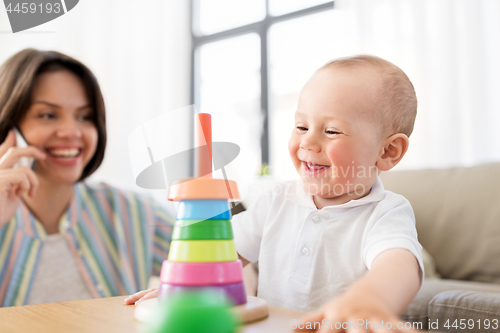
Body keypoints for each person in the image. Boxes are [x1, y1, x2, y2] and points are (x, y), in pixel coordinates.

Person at [128, 55, 423, 332]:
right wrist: (186, 287)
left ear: (387, 151)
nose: (308, 141)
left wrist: (371, 300)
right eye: (301, 126)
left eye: (332, 131)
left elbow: (398, 265)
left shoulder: (386, 212)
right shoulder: (276, 201)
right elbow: (223, 251)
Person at [0, 49, 173, 307]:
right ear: (9, 127)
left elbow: (226, 271)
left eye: (85, 116)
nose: (72, 131)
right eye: (48, 115)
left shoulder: (135, 211)